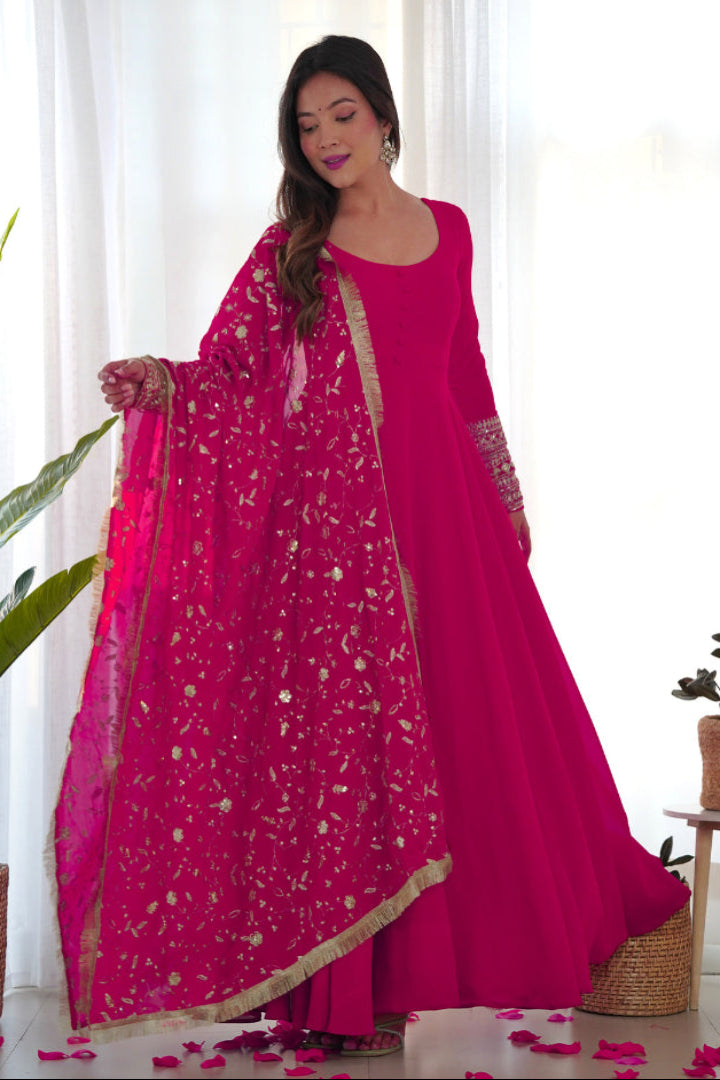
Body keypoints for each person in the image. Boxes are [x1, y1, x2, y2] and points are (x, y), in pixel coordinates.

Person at [55, 35, 688, 1055]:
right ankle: (351, 995)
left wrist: (506, 496)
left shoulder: (450, 228)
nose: (326, 139)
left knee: (470, 737)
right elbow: (234, 374)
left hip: (450, 518)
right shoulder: (292, 251)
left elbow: (464, 370)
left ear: (385, 116)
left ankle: (424, 975)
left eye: (342, 114)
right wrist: (164, 382)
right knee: (353, 750)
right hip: (338, 535)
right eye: (307, 125)